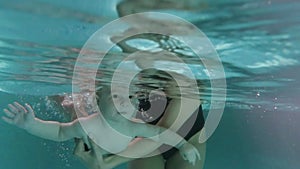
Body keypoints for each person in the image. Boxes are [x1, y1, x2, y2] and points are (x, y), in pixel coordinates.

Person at [1, 85, 200, 169]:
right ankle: (69, 103)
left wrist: (184, 145)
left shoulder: (133, 127)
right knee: (74, 115)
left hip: (183, 129)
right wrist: (32, 124)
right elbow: (60, 131)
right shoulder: (88, 124)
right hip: (106, 143)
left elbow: (159, 133)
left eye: (130, 97)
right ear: (98, 100)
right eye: (115, 96)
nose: (124, 102)